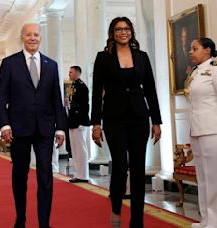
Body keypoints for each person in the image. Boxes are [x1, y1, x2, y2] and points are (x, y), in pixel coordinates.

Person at [91, 17, 162, 228]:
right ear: (112, 33)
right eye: (118, 29)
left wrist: (156, 121)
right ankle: (116, 207)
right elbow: (96, 92)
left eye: (126, 29)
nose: (123, 32)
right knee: (120, 166)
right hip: (113, 118)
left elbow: (150, 89)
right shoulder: (103, 58)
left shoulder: (142, 57)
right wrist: (96, 123)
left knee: (138, 168)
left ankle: (137, 221)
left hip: (140, 117)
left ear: (131, 32)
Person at [0, 23, 67, 228]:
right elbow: (2, 98)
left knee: (45, 175)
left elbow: (56, 99)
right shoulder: (9, 63)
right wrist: (4, 125)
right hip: (18, 129)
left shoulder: (51, 65)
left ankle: (44, 222)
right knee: (20, 175)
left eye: (36, 34)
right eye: (28, 35)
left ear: (40, 38)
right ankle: (21, 218)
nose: (33, 38)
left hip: (45, 129)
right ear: (22, 37)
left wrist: (60, 128)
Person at [186, 37, 217, 228]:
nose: (191, 52)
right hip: (196, 129)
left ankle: (214, 221)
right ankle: (205, 219)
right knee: (203, 178)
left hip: (212, 129)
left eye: (195, 48)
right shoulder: (196, 73)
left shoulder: (214, 70)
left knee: (213, 177)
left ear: (207, 50)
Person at [66, 66, 91, 183]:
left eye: (71, 72)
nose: (69, 74)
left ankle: (84, 174)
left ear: (77, 73)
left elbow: (85, 106)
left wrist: (81, 121)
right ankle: (77, 173)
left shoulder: (82, 86)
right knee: (75, 149)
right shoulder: (73, 86)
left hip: (79, 121)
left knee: (81, 149)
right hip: (72, 121)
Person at [174, 26, 193, 91]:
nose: (185, 39)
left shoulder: (189, 50)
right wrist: (186, 72)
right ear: (180, 38)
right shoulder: (177, 52)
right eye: (183, 37)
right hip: (182, 83)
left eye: (186, 36)